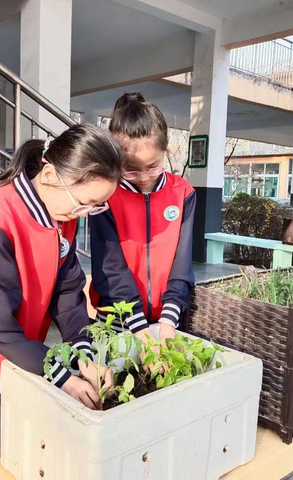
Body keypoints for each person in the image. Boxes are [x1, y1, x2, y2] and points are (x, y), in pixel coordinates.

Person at [0, 123, 121, 474]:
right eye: (85, 203)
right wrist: (62, 376)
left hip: (22, 356)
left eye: (96, 207)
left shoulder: (60, 212)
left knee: (12, 452)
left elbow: (67, 292)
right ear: (50, 174)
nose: (85, 214)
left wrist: (84, 355)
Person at [89, 92, 196, 347]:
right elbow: (110, 267)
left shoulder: (183, 193)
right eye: (131, 169)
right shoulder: (106, 195)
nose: (144, 176)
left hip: (168, 318)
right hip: (116, 318)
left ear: (166, 144)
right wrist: (136, 323)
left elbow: (182, 263)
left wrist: (170, 319)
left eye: (153, 165)